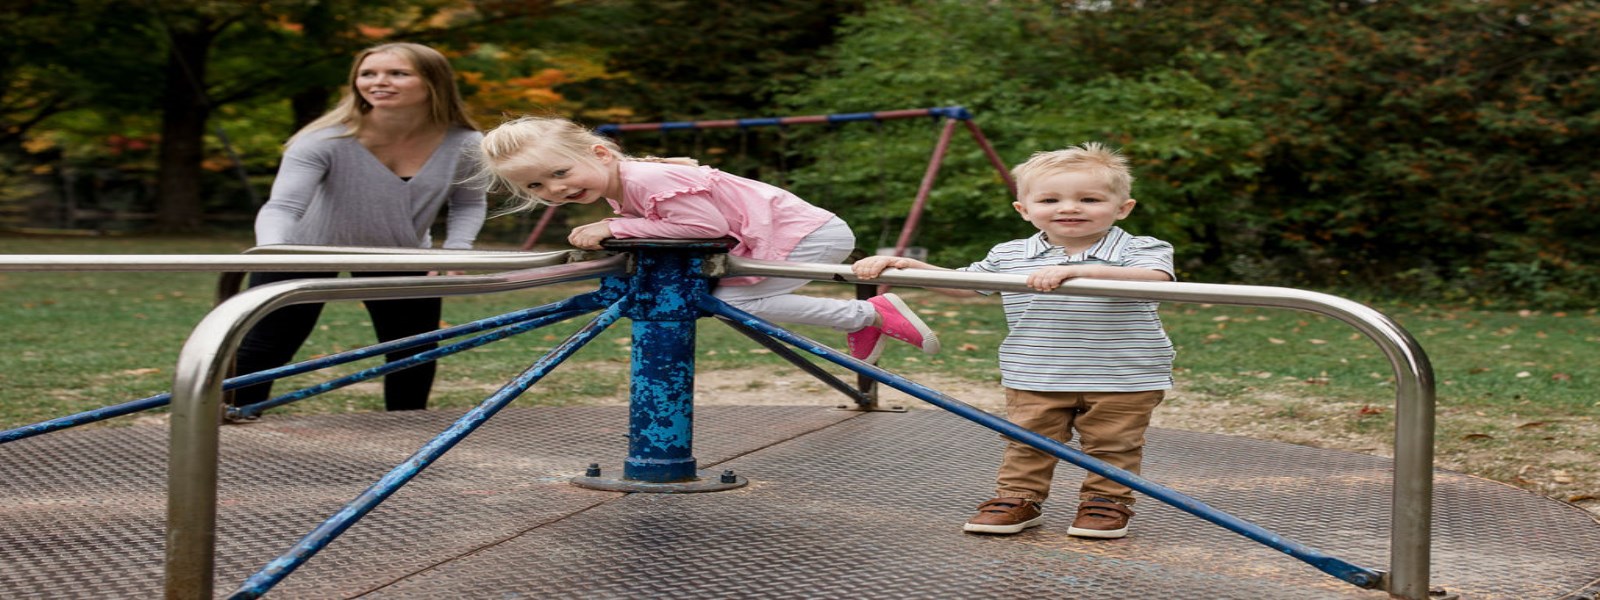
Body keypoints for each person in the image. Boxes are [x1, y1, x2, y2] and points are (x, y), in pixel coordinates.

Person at [852, 143, 1175, 539]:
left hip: (1123, 374)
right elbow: (967, 287)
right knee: (1027, 442)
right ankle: (1019, 498)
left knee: (1113, 445)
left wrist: (1076, 272)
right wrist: (907, 267)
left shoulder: (1139, 249)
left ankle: (1106, 503)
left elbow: (1157, 279)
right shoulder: (1010, 254)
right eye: (1050, 199)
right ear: (1024, 209)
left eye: (1089, 199)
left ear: (1122, 207)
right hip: (1034, 370)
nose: (1069, 208)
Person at [473, 115, 939, 361]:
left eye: (560, 172)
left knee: (733, 304)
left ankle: (867, 313)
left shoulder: (641, 181)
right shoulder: (629, 182)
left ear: (599, 153)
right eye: (536, 186)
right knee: (713, 298)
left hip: (807, 234)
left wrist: (614, 228)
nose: (555, 189)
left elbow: (707, 230)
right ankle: (858, 320)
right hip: (789, 231)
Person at [233, 42, 487, 412]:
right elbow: (283, 206)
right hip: (303, 249)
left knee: (412, 352)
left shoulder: (464, 143)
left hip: (401, 252)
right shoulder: (324, 139)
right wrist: (274, 249)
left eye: (397, 73)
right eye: (368, 74)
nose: (378, 82)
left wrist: (458, 249)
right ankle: (235, 423)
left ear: (433, 82)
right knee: (267, 348)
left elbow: (468, 201)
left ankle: (407, 434)